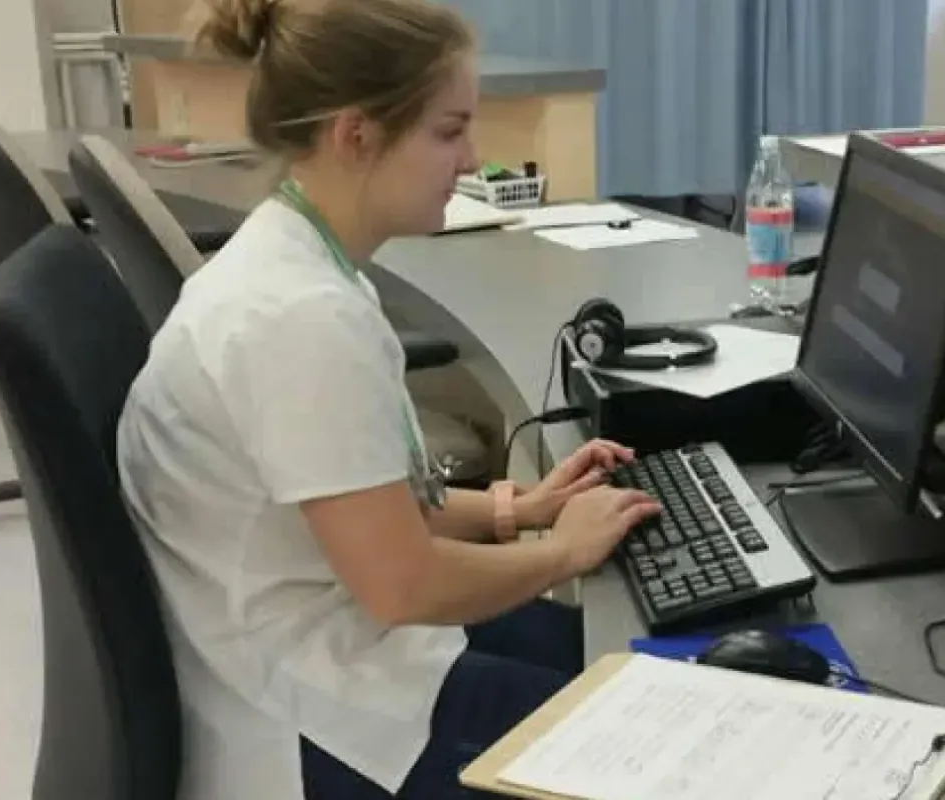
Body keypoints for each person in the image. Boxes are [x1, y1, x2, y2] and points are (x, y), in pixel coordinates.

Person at [114, 0, 661, 797]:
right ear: (356, 136)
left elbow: (367, 507)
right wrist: (561, 553)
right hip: (314, 720)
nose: (472, 159)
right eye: (449, 131)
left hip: (331, 644)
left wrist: (522, 509)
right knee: (653, 746)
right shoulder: (298, 319)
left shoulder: (300, 261)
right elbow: (403, 584)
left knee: (630, 674)